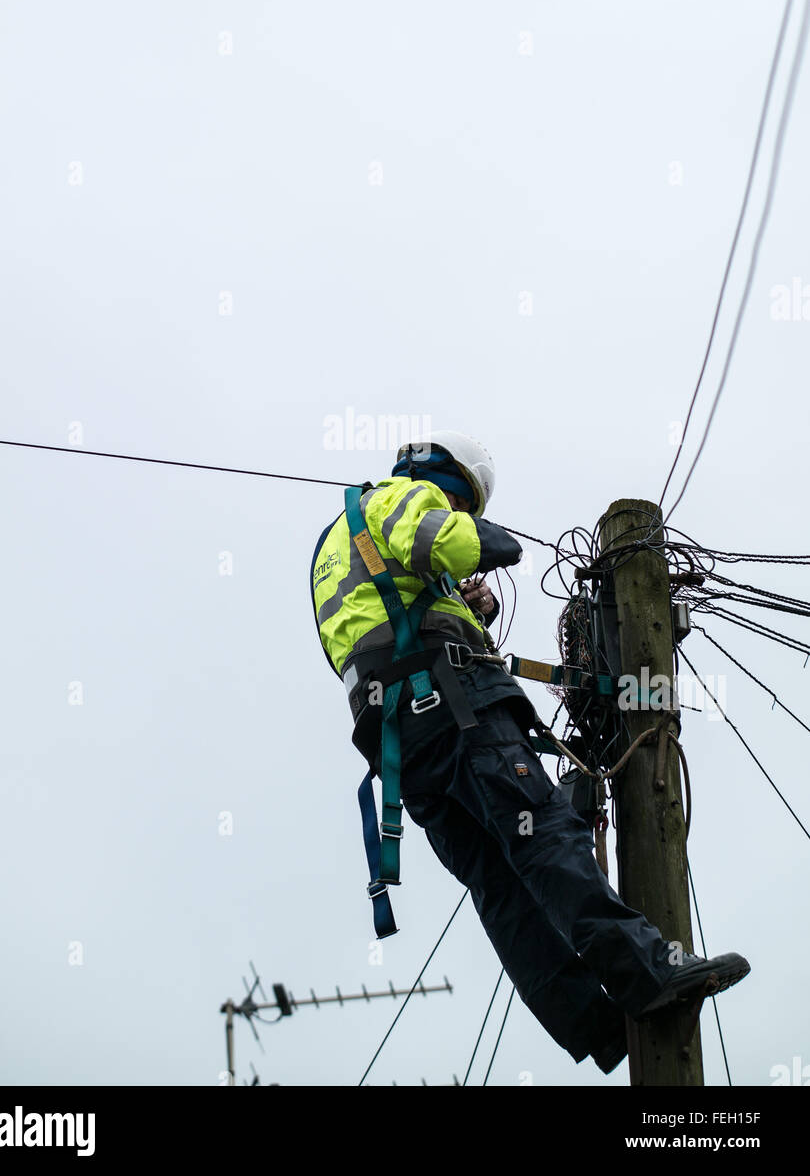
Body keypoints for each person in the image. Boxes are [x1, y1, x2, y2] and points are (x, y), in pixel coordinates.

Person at [310, 431, 749, 1074]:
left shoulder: (334, 545)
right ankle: (648, 969)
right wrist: (492, 545)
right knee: (545, 838)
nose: (463, 515)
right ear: (450, 480)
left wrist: (462, 602)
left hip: (404, 746)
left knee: (500, 886)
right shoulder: (405, 497)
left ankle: (594, 1025)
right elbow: (446, 541)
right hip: (458, 707)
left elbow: (382, 623)